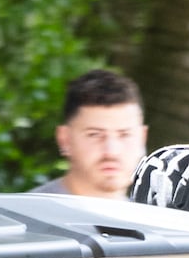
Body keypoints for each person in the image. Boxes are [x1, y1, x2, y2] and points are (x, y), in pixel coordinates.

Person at [30, 68, 148, 199]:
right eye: (95, 134)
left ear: (142, 138)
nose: (111, 151)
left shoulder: (151, 217)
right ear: (65, 139)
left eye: (125, 134)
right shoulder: (23, 215)